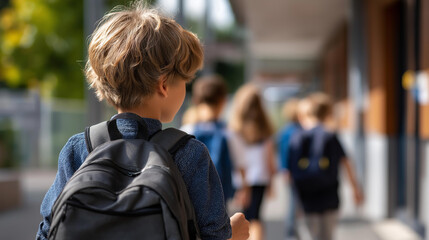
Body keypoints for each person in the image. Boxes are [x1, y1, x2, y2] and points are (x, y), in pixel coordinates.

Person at [36, 2, 249, 240]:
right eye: (184, 81)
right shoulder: (189, 153)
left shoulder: (78, 149)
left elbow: (47, 232)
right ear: (164, 85)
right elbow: (214, 236)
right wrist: (236, 235)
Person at [288, 93, 363, 240]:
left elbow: (289, 172)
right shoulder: (330, 135)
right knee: (327, 236)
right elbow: (346, 162)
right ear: (328, 113)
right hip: (329, 195)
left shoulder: (297, 137)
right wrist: (356, 189)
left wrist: (295, 202)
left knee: (310, 235)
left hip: (306, 197)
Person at [228, 84, 277, 240]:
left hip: (240, 179)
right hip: (260, 178)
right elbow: (270, 160)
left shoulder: (235, 128)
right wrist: (272, 184)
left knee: (242, 217)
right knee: (256, 218)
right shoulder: (265, 128)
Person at [181, 75, 235, 203]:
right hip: (220, 193)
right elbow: (240, 163)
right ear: (223, 101)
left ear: (195, 100)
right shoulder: (228, 131)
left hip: (192, 193)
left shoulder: (187, 130)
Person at [276, 98, 301, 239]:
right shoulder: (298, 130)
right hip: (298, 171)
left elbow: (283, 153)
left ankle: (292, 230)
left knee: (292, 200)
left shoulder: (285, 131)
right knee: (294, 201)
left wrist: (285, 169)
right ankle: (291, 230)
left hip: (290, 170)